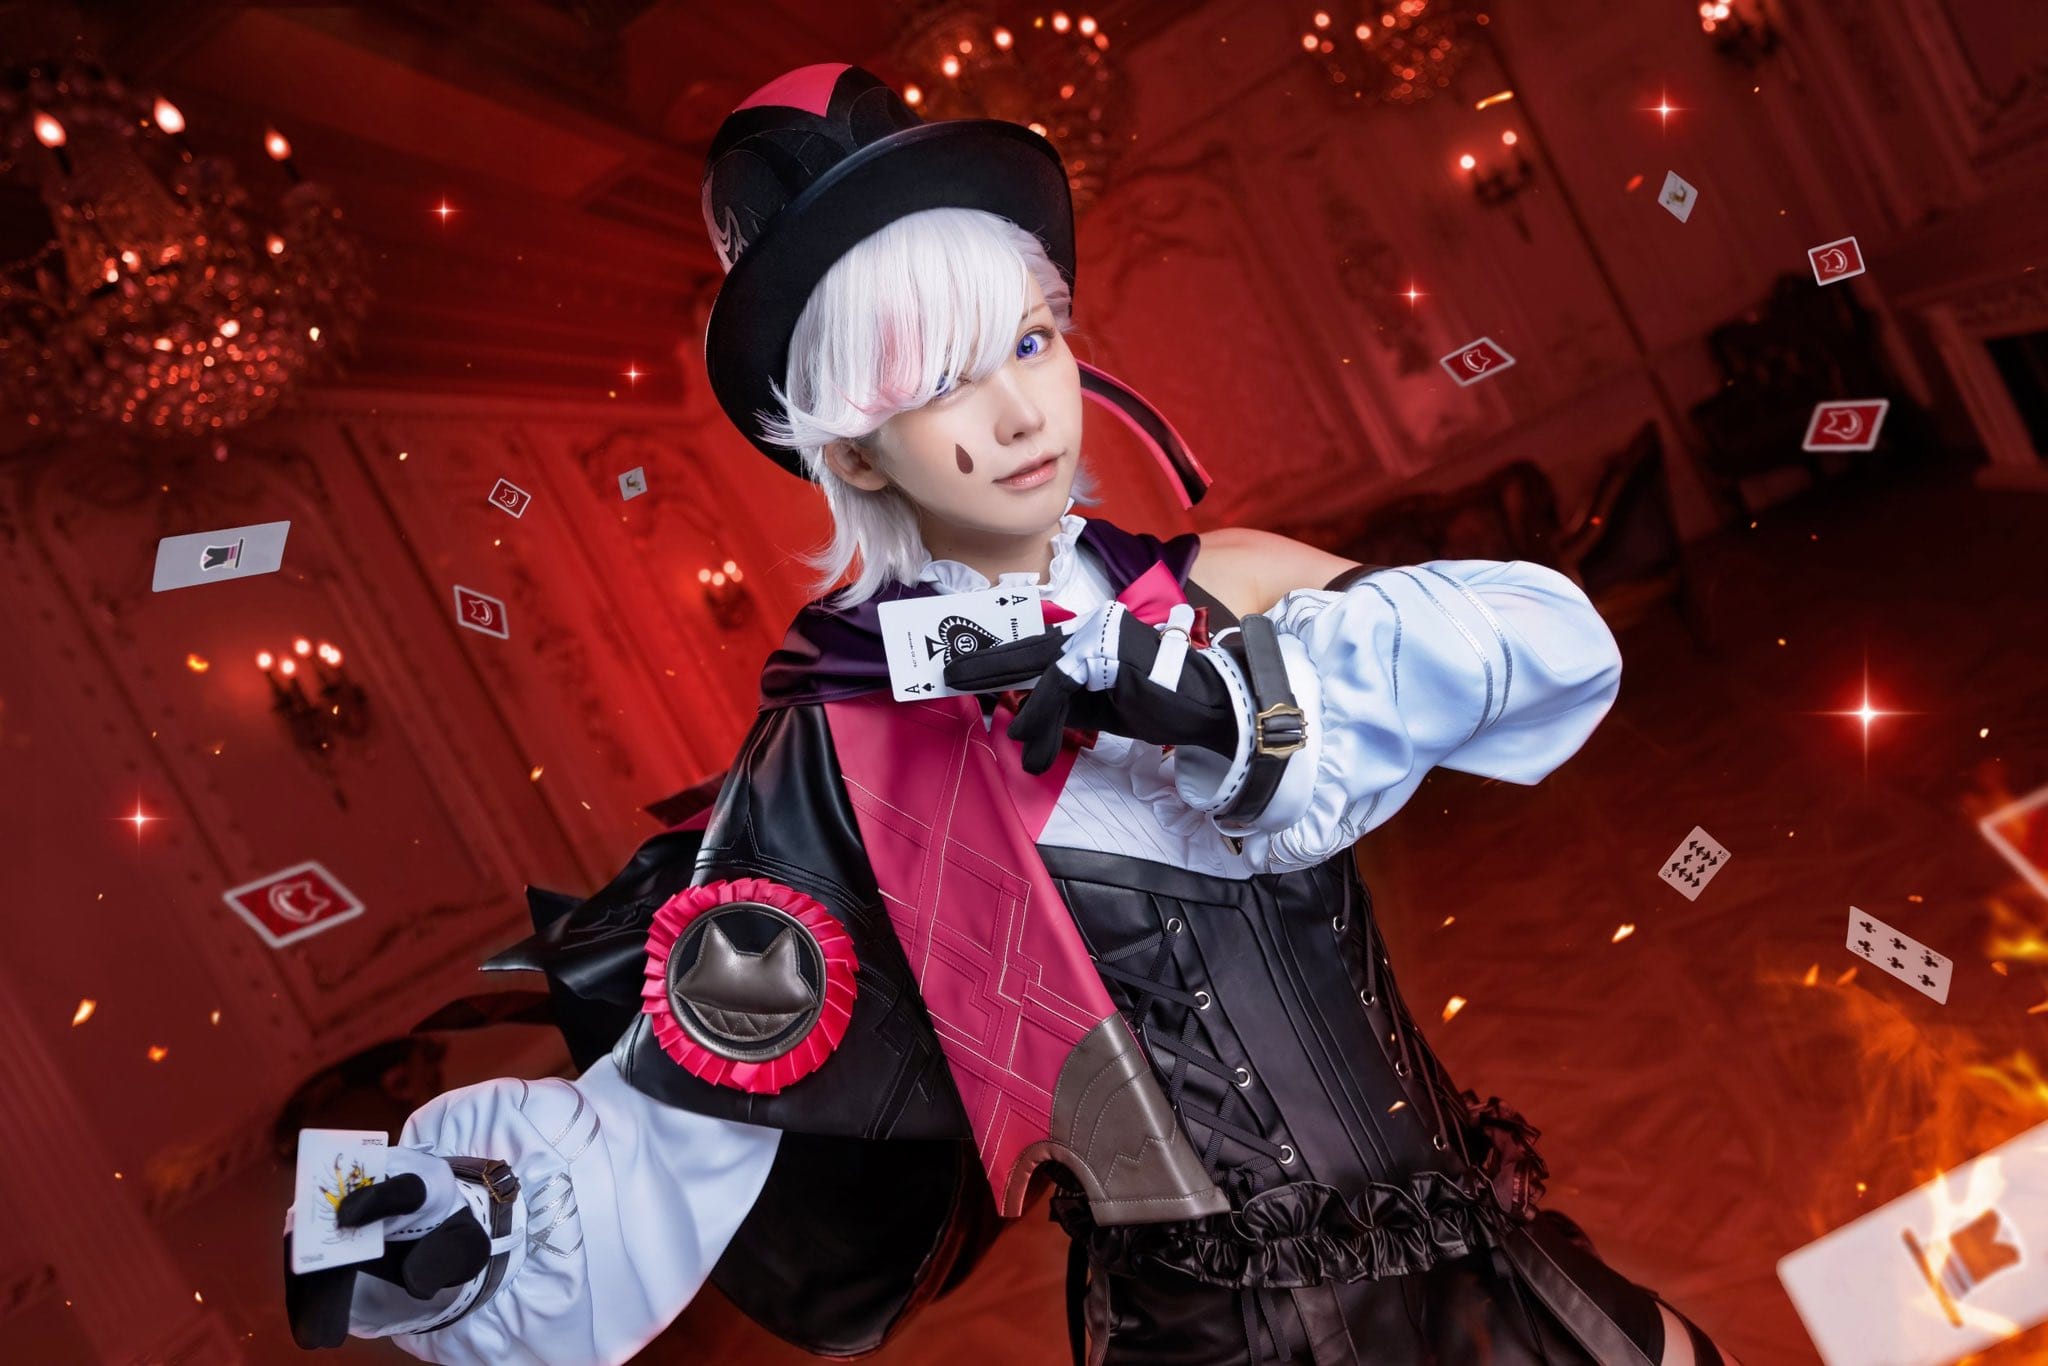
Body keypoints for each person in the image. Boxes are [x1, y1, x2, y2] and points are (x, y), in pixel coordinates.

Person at [282, 62, 1738, 1366]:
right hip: (1213, 1339)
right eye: (942, 383)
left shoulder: (1215, 587)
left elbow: (1547, 649)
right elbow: (676, 1118)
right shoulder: (840, 759)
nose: (1021, 414)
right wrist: (452, 1218)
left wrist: (1227, 707)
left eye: (1031, 342)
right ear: (856, 447)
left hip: (1480, 1259)